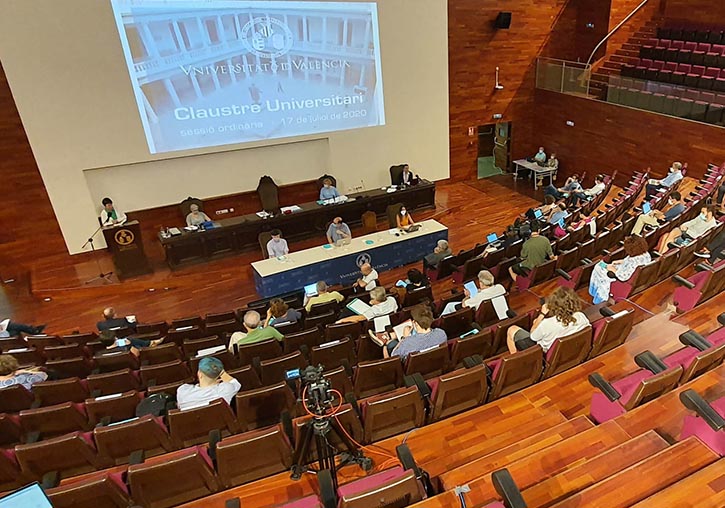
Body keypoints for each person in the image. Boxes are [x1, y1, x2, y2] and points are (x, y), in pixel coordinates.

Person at [506, 287, 589, 354]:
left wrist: (541, 315)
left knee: (512, 329)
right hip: (567, 349)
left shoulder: (546, 324)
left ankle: (515, 359)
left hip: (543, 353)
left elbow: (533, 336)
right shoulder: (581, 316)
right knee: (536, 323)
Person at [588, 236, 652, 304]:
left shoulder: (632, 262)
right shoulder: (646, 255)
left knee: (598, 267)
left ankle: (598, 296)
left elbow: (623, 277)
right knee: (601, 265)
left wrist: (612, 269)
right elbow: (630, 261)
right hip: (624, 269)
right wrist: (621, 261)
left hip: (620, 277)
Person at [382, 305, 447, 360]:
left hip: (412, 372)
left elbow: (393, 357)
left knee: (390, 344)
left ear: (415, 323)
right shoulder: (441, 333)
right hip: (432, 362)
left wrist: (404, 338)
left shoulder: (408, 343)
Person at [176, 357, 241, 411]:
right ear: (219, 374)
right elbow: (235, 383)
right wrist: (220, 371)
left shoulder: (183, 391)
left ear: (199, 374)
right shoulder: (225, 389)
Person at [441, 270, 507, 315]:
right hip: (494, 312)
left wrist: (468, 296)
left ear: (481, 283)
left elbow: (464, 305)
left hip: (475, 312)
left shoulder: (478, 297)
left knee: (449, 305)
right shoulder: (500, 287)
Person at [97, 329, 164, 357]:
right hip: (132, 367)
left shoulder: (99, 354)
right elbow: (137, 354)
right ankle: (151, 343)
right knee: (131, 340)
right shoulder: (126, 348)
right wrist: (130, 345)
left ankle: (151, 343)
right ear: (115, 338)